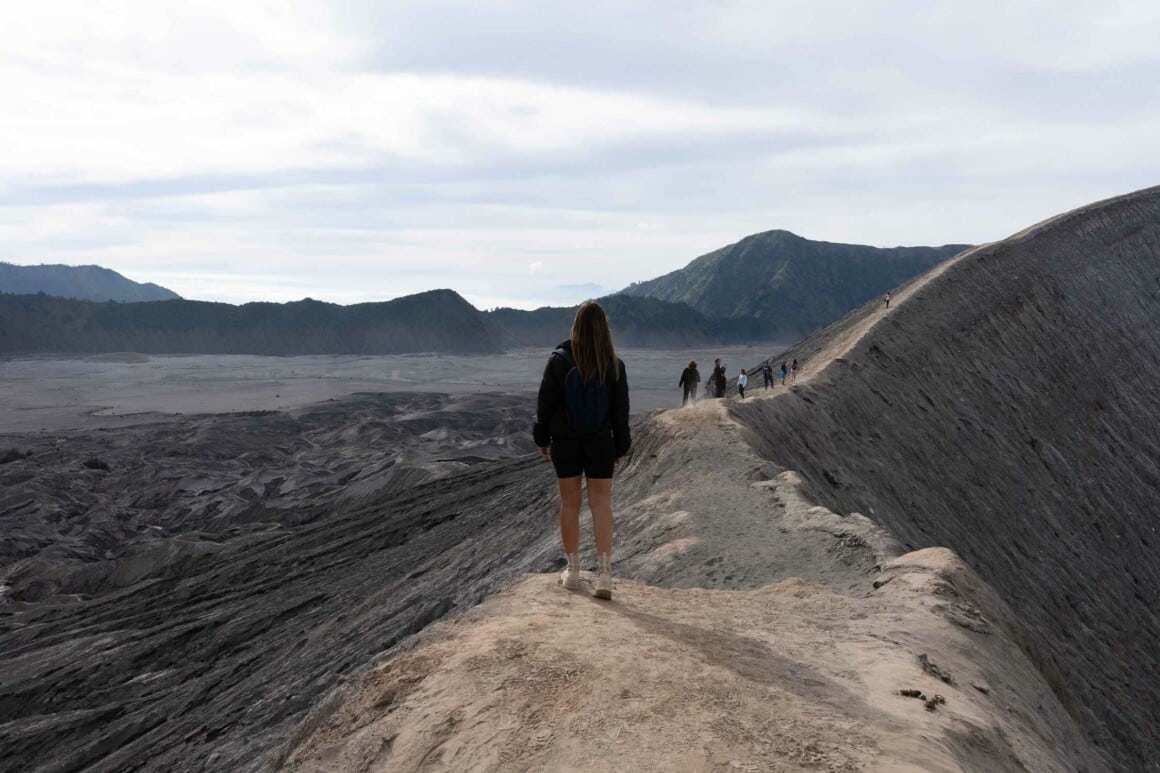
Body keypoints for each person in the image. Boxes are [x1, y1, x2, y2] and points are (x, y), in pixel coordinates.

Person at [533, 301, 630, 601]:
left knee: (570, 504)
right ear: (605, 329)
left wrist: (542, 438)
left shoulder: (559, 360)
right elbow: (620, 412)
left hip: (566, 442)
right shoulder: (613, 364)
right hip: (600, 442)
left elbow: (545, 403)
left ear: (575, 326)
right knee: (601, 504)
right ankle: (604, 575)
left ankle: (573, 572)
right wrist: (620, 446)